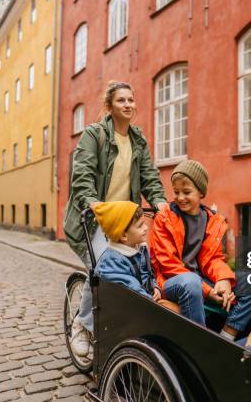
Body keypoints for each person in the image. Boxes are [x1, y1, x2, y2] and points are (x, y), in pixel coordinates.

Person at [63, 81, 166, 360]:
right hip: (93, 221)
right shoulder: (94, 136)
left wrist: (160, 201)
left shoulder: (138, 140)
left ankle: (118, 329)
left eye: (131, 100)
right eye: (121, 100)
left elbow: (149, 177)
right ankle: (81, 327)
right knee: (102, 269)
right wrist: (92, 203)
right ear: (109, 106)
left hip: (122, 222)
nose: (128, 105)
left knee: (134, 268)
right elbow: (82, 174)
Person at [149, 160, 251, 341]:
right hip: (172, 281)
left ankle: (226, 336)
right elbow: (168, 265)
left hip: (200, 280)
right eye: (176, 192)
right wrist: (209, 292)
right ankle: (202, 344)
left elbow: (213, 259)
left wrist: (223, 280)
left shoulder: (211, 220)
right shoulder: (164, 218)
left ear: (201, 192)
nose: (180, 198)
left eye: (186, 192)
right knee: (191, 281)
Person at [92, 201, 161, 300]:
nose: (146, 228)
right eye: (140, 226)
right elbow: (132, 290)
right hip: (126, 307)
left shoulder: (140, 248)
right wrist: (153, 303)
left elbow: (147, 273)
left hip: (142, 301)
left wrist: (154, 286)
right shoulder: (112, 262)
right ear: (124, 236)